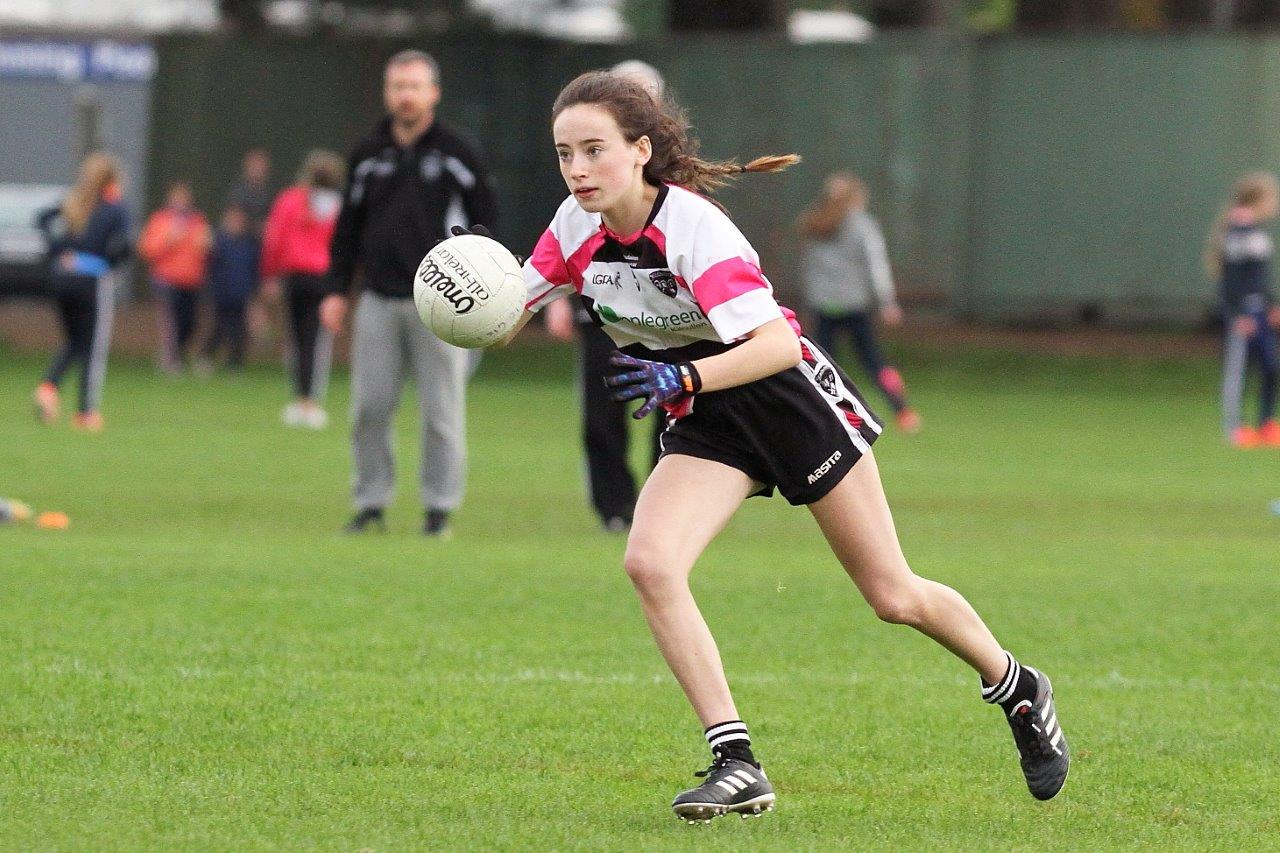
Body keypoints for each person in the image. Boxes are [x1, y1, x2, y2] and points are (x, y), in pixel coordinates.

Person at [505, 70, 1068, 820]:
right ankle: (736, 761)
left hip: (786, 398)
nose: (577, 170)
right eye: (565, 153)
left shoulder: (694, 226)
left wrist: (684, 375)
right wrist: (460, 288)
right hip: (705, 409)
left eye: (594, 150)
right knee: (649, 561)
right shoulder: (574, 226)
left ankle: (1017, 685)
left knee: (893, 595)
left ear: (640, 150)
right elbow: (508, 309)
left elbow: (774, 343)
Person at [321, 50, 497, 536]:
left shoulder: (457, 152)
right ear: (387, 92)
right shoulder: (368, 153)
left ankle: (439, 509)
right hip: (378, 298)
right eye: (397, 86)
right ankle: (371, 503)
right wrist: (337, 290)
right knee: (368, 409)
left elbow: (488, 221)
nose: (405, 95)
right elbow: (347, 228)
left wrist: (480, 288)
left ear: (433, 93)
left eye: (415, 86)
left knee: (442, 411)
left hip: (442, 304)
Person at [544, 58, 668, 532]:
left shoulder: (682, 198)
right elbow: (559, 251)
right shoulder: (584, 184)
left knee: (675, 414)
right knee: (601, 413)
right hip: (603, 315)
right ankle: (614, 509)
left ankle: (663, 509)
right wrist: (549, 299)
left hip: (669, 324)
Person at [798, 172, 921, 433]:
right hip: (854, 305)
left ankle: (813, 414)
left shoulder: (815, 223)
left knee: (820, 365)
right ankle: (903, 412)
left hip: (823, 305)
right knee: (875, 362)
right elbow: (876, 265)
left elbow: (809, 268)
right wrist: (887, 301)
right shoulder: (863, 225)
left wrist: (814, 297)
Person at [32, 152, 130, 432]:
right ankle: (86, 413)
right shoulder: (115, 208)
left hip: (62, 278)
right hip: (92, 281)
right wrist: (110, 262)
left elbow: (41, 219)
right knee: (94, 348)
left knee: (76, 342)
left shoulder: (74, 200)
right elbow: (123, 244)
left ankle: (49, 387)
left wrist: (57, 251)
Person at [261, 150, 346, 429]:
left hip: (295, 276)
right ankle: (310, 402)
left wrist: (270, 274)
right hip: (323, 278)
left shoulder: (290, 199)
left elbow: (274, 238)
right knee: (315, 341)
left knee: (297, 339)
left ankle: (300, 399)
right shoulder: (338, 205)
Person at [1204, 171, 1280, 448]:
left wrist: (1271, 305)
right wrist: (1237, 314)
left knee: (1271, 366)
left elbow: (1259, 277)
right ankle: (1234, 428)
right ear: (1257, 199)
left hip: (1261, 310)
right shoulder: (1236, 233)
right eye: (1272, 198)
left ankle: (1266, 423)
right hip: (1243, 313)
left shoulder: (1257, 232)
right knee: (1238, 371)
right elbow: (1232, 281)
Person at [139, 181, 212, 374]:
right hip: (166, 280)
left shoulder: (197, 221)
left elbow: (205, 249)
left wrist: (207, 245)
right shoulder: (160, 220)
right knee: (169, 322)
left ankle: (179, 354)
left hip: (191, 281)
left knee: (189, 322)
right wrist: (169, 239)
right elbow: (148, 250)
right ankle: (170, 360)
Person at [200, 205, 260, 373]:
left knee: (239, 329)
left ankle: (235, 362)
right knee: (220, 326)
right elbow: (209, 266)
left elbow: (254, 270)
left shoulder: (249, 244)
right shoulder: (218, 242)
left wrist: (254, 291)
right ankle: (206, 356)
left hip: (241, 294)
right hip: (222, 293)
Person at [226, 147, 273, 238]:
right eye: (255, 165)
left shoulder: (268, 193)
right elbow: (234, 223)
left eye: (261, 165)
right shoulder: (238, 192)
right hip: (240, 241)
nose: (258, 169)